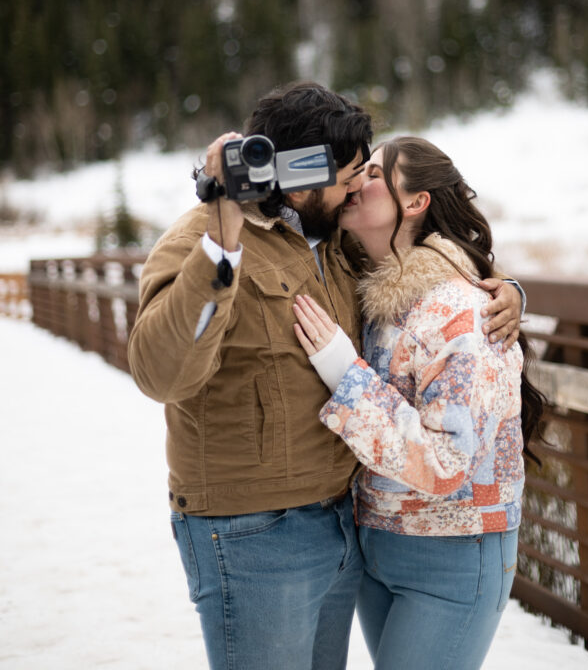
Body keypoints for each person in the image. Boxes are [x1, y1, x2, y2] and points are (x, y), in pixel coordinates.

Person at [128, 84, 524, 670]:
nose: (356, 188)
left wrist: (509, 292)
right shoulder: (199, 243)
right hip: (254, 533)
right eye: (348, 176)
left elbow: (429, 271)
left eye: (367, 174)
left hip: (342, 525)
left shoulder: (334, 240)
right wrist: (222, 235)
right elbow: (161, 373)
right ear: (300, 175)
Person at [293, 136, 545, 670]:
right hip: (378, 541)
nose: (357, 181)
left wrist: (346, 374)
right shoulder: (370, 288)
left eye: (376, 175)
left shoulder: (461, 311)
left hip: (454, 552)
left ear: (415, 202)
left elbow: (447, 461)